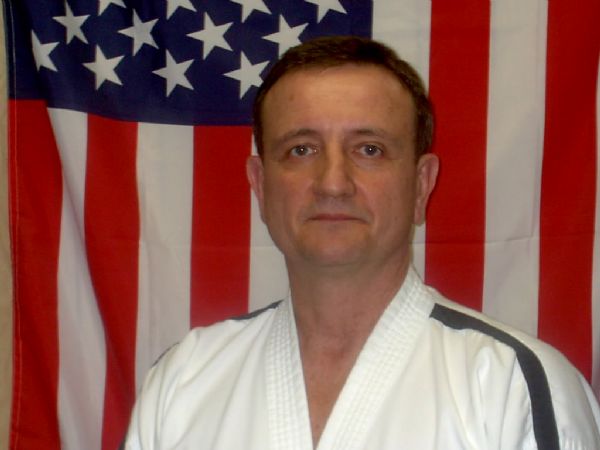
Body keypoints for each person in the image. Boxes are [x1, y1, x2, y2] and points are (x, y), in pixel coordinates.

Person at [124, 36, 600, 449]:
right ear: (261, 185)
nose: (333, 183)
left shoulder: (511, 386)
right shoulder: (185, 380)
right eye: (301, 149)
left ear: (421, 185)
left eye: (369, 150)